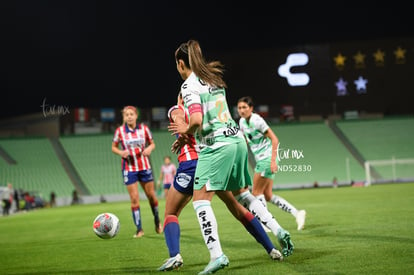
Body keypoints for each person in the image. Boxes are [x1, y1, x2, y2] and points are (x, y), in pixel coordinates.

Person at [168, 40, 293, 274]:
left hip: (216, 146)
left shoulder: (188, 86)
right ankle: (278, 230)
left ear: (181, 63)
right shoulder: (214, 79)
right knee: (242, 194)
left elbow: (195, 121)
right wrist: (187, 134)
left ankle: (217, 255)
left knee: (200, 200)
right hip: (237, 141)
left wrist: (184, 130)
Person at [237, 96, 307, 231]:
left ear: (251, 108)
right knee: (267, 195)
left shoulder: (257, 120)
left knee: (256, 192)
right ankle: (297, 213)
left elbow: (275, 139)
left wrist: (273, 160)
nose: (242, 110)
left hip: (267, 158)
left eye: (245, 107)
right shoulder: (241, 122)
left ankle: (266, 224)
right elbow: (246, 141)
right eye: (240, 108)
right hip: (262, 159)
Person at [112, 105, 162, 238]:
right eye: (126, 115)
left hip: (144, 167)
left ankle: (157, 221)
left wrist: (150, 149)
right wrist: (121, 152)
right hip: (129, 169)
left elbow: (152, 143)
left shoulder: (144, 129)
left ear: (136, 116)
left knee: (151, 196)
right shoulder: (120, 131)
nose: (129, 116)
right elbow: (113, 147)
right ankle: (139, 229)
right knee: (134, 198)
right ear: (124, 117)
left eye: (131, 114)